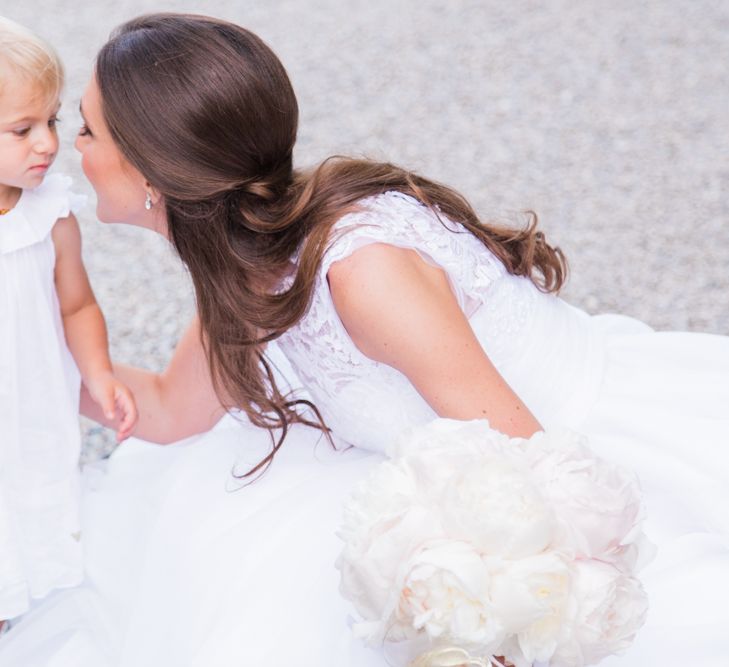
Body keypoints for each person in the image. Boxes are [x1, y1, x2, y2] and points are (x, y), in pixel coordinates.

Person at [1, 11, 727, 666]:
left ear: (152, 170)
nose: (70, 149)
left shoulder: (360, 270)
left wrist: (504, 615)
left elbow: (528, 460)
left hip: (575, 469)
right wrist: (24, 353)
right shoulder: (244, 270)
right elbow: (161, 409)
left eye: (87, 128)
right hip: (459, 468)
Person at [0, 17, 138, 634]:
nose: (47, 144)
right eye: (21, 129)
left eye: (52, 121)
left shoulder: (50, 211)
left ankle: (33, 601)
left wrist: (100, 373)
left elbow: (77, 304)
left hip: (32, 402)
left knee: (38, 490)